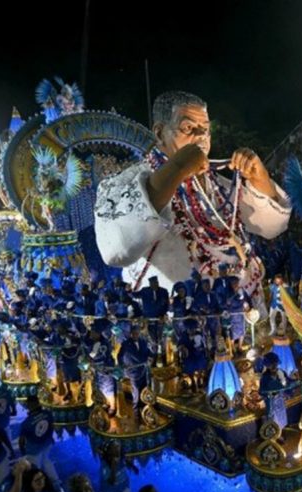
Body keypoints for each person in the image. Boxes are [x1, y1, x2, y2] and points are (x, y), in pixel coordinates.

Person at [94, 90, 291, 296]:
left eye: (205, 130)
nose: (200, 137)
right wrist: (178, 167)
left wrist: (261, 180)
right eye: (188, 128)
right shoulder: (128, 182)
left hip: (238, 306)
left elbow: (271, 227)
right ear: (160, 133)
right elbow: (116, 251)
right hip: (175, 317)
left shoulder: (220, 185)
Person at [19, 395, 58, 484]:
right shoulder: (48, 413)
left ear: (28, 405)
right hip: (47, 443)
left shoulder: (26, 423)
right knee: (46, 461)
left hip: (33, 450)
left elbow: (21, 441)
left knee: (34, 469)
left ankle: (38, 485)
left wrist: (23, 453)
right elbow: (52, 426)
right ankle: (55, 481)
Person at [117, 326, 153, 417]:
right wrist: (122, 365)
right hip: (133, 372)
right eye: (134, 333)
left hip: (144, 370)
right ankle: (136, 411)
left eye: (138, 333)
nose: (136, 335)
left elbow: (148, 352)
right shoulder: (125, 344)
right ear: (131, 334)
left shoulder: (143, 342)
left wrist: (151, 357)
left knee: (145, 389)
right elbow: (119, 356)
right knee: (136, 392)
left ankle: (146, 408)